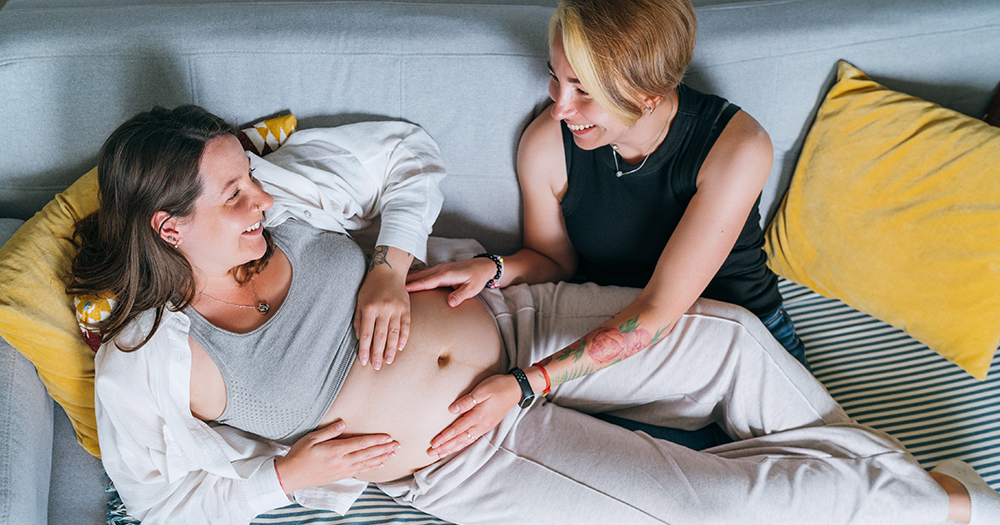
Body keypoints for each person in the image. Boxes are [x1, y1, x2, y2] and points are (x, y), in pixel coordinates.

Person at [77, 106, 993, 525]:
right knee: (712, 503)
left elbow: (407, 152)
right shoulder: (150, 353)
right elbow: (162, 500)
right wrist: (287, 477)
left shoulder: (283, 193)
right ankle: (943, 503)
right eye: (233, 194)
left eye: (250, 178)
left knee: (734, 342)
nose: (260, 201)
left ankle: (896, 494)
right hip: (462, 449)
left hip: (520, 325)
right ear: (169, 224)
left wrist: (390, 267)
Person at [406, 0, 809, 370]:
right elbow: (554, 261)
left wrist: (525, 383)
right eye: (555, 78)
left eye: (583, 89)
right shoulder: (546, 146)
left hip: (738, 332)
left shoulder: (738, 147)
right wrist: (493, 267)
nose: (560, 109)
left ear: (648, 95)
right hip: (608, 330)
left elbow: (656, 310)